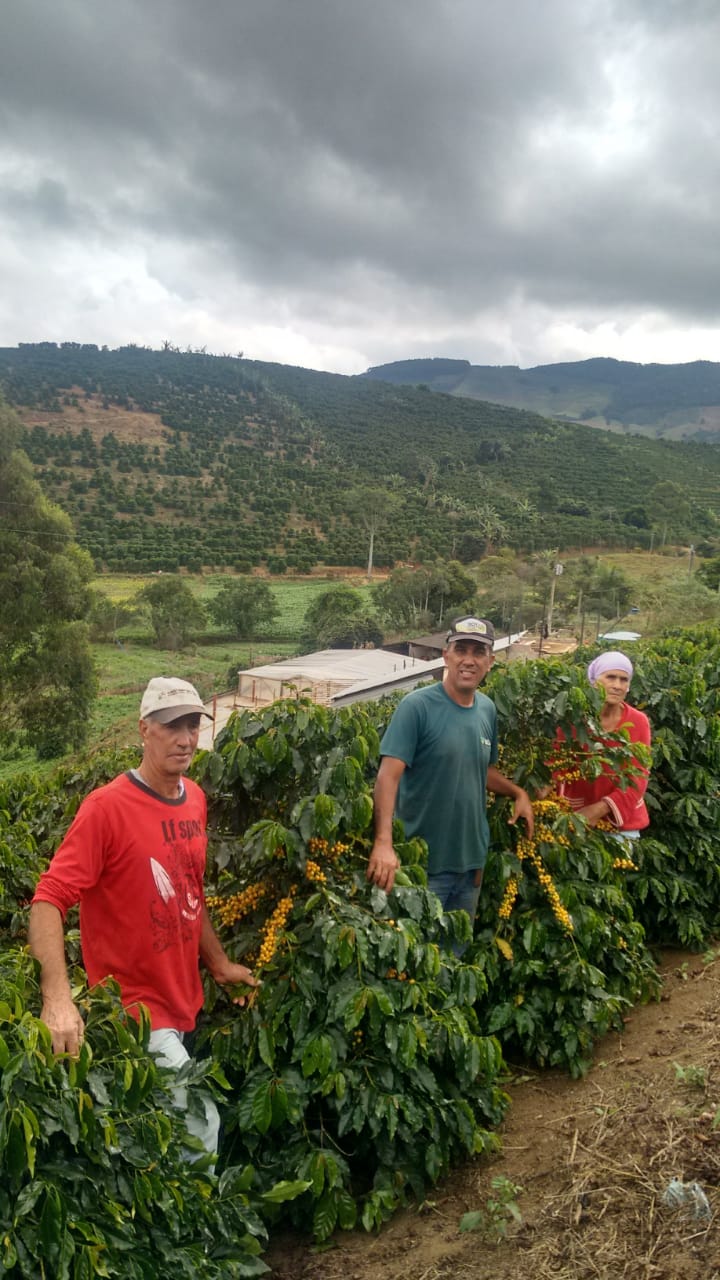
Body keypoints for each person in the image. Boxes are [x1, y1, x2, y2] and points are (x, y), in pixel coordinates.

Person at [29, 676, 257, 1158]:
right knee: (201, 1124)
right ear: (144, 730)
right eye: (172, 726)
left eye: (193, 725)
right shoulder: (106, 809)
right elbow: (49, 898)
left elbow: (187, 892)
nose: (186, 738)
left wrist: (218, 964)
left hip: (183, 1000)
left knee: (160, 1137)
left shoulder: (194, 798)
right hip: (135, 1012)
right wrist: (58, 999)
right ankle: (199, 1236)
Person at [366, 617, 534, 937]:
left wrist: (517, 793)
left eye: (478, 652)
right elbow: (388, 777)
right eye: (461, 650)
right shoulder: (416, 707)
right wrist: (383, 843)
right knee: (417, 965)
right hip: (423, 866)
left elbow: (482, 771)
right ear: (446, 655)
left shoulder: (486, 710)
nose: (469, 659)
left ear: (490, 662)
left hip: (470, 865)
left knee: (455, 962)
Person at [553, 651, 651, 838]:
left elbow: (639, 776)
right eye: (610, 677)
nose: (617, 685)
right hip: (575, 820)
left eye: (624, 680)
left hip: (622, 826)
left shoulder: (639, 722)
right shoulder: (574, 720)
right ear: (594, 681)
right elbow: (557, 765)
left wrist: (601, 808)